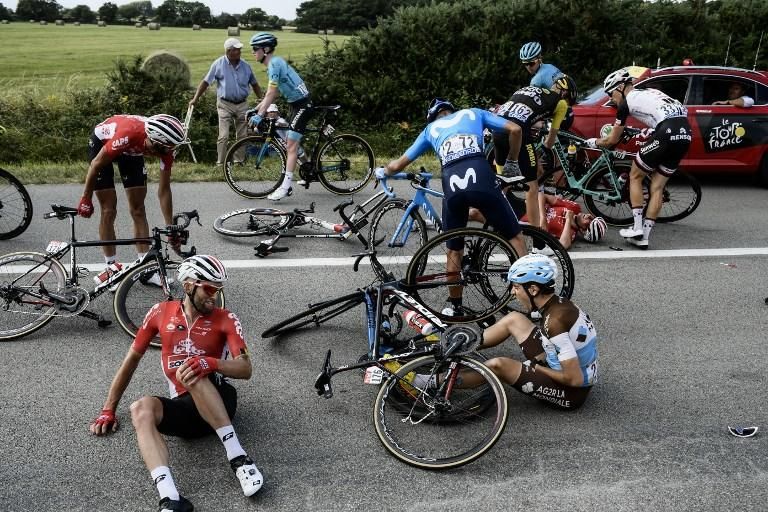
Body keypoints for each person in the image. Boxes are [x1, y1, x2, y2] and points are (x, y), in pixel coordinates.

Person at [89, 255, 263, 511]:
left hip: (220, 398)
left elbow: (245, 368)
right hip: (187, 411)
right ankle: (170, 497)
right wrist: (108, 409)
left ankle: (239, 459)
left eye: (219, 289)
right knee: (140, 408)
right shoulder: (160, 313)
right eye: (210, 288)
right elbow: (131, 361)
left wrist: (210, 363)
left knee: (191, 369)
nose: (214, 296)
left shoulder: (227, 318)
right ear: (190, 285)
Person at [375, 98, 528, 315]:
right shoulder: (474, 113)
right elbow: (515, 129)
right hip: (481, 175)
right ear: (451, 111)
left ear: (433, 117)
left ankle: (456, 308)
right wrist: (512, 162)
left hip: (452, 182)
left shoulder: (430, 130)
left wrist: (384, 172)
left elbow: (397, 165)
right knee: (515, 237)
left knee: (454, 250)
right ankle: (534, 296)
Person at [472, 254, 598, 410]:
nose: (512, 292)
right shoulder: (558, 303)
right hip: (563, 365)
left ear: (533, 290)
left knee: (498, 365)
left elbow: (574, 379)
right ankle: (464, 345)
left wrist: (537, 368)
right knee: (514, 319)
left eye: (516, 287)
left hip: (572, 392)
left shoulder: (554, 322)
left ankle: (438, 380)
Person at [585, 69, 692, 249]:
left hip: (666, 131)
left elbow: (611, 140)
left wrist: (594, 142)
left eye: (611, 94)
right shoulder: (651, 92)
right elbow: (673, 113)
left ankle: (636, 228)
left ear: (620, 88)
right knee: (657, 186)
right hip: (685, 133)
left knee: (635, 175)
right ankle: (643, 237)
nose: (612, 99)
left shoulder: (626, 103)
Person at [77, 114, 187, 279]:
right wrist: (86, 197)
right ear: (155, 143)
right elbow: (96, 165)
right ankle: (111, 267)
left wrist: (170, 228)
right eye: (167, 148)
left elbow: (164, 190)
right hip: (106, 141)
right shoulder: (129, 134)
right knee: (108, 209)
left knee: (138, 209)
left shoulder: (165, 148)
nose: (170, 151)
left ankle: (145, 269)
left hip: (132, 149)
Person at [491, 75, 579, 229]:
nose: (567, 106)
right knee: (532, 187)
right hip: (517, 134)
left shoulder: (527, 89)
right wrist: (537, 157)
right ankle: (538, 241)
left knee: (503, 184)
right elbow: (550, 141)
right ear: (565, 93)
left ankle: (488, 218)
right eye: (569, 102)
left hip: (497, 131)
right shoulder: (560, 103)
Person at [247, 32, 313, 201]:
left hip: (302, 105)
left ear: (266, 49)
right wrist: (256, 109)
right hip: (296, 105)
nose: (253, 52)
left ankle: (285, 188)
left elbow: (271, 93)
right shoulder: (273, 64)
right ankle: (308, 169)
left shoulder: (275, 64)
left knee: (290, 146)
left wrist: (260, 114)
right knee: (292, 142)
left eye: (255, 49)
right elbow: (272, 94)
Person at [188, 37, 262, 167]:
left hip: (242, 104)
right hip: (224, 104)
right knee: (224, 135)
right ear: (229, 51)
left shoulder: (246, 65)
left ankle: (238, 162)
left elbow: (254, 84)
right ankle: (220, 163)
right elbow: (206, 82)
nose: (239, 51)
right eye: (236, 49)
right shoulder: (218, 64)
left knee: (243, 135)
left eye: (240, 49)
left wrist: (262, 99)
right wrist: (195, 98)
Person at [521, 194, 607, 250]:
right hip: (525, 205)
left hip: (521, 221)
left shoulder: (570, 233)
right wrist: (543, 218)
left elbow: (563, 245)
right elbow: (541, 196)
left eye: (590, 221)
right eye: (592, 217)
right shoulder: (574, 207)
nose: (588, 215)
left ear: (583, 230)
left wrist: (568, 220)